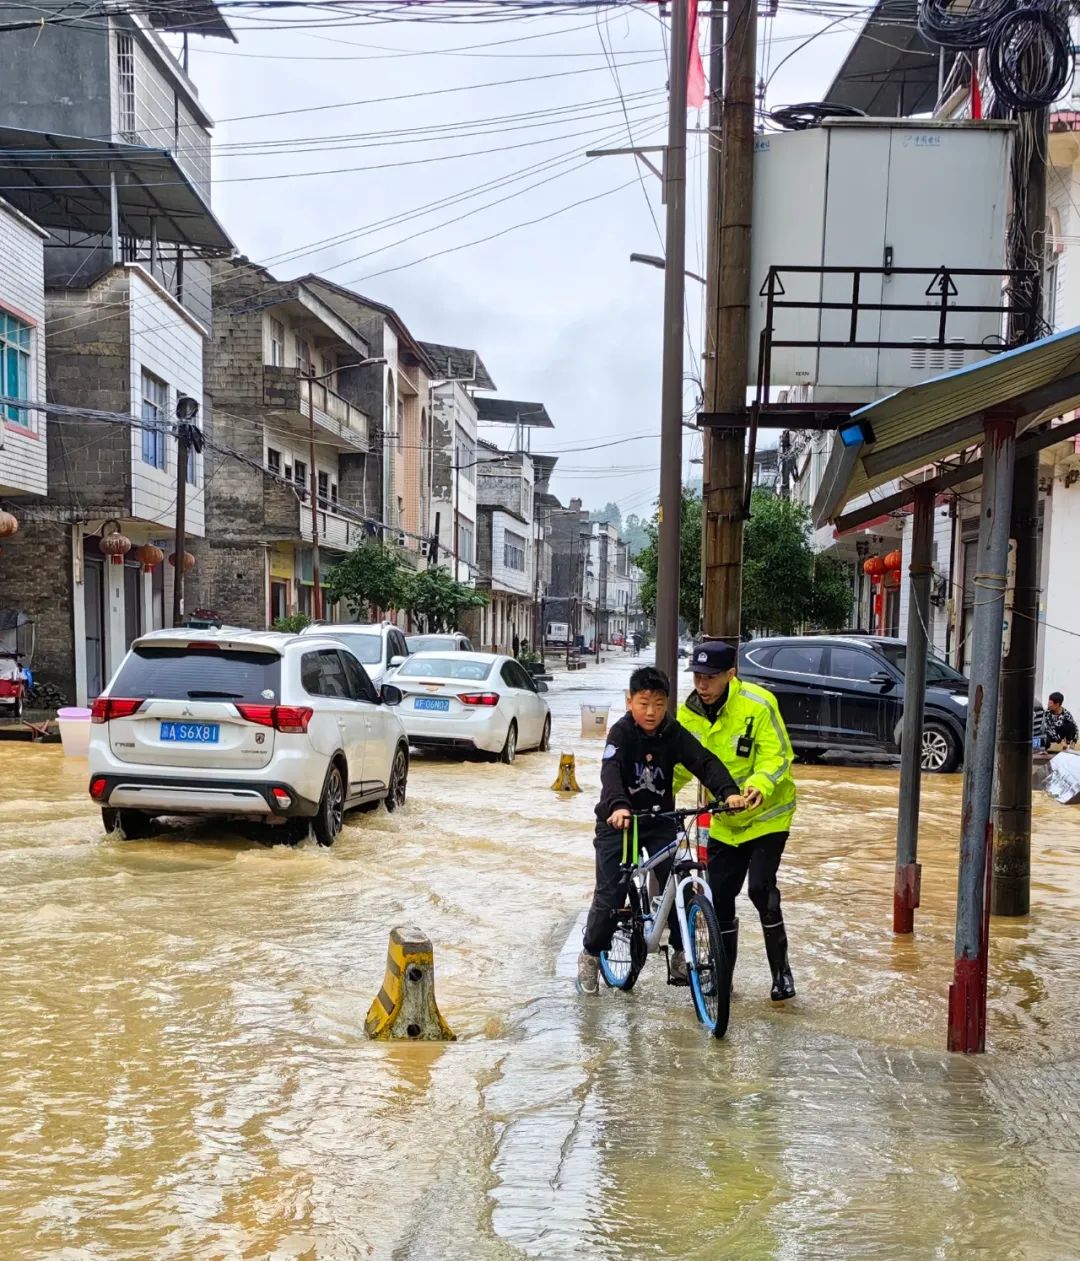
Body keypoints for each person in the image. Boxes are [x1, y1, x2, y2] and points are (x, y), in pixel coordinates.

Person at [577, 665, 749, 995]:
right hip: (620, 823)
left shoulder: (673, 732)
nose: (651, 711)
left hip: (660, 820)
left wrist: (728, 792)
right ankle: (589, 955)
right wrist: (618, 806)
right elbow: (610, 772)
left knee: (682, 879)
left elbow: (704, 761)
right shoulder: (620, 733)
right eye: (643, 703)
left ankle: (682, 954)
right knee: (611, 895)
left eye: (658, 703)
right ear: (630, 702)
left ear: (667, 704)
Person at [673, 640, 798, 1002]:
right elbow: (681, 766)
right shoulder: (688, 714)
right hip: (724, 822)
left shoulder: (758, 704)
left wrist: (759, 785)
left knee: (761, 889)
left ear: (731, 674)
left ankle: (782, 975)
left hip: (768, 817)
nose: (702, 685)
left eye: (710, 677)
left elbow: (778, 755)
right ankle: (723, 979)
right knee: (720, 898)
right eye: (697, 676)